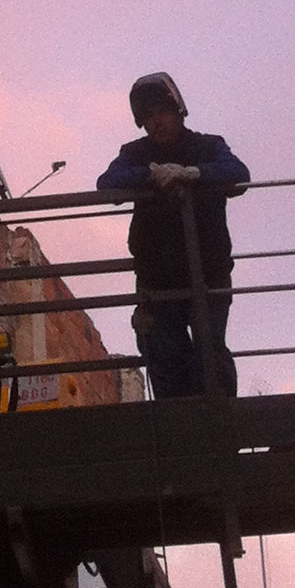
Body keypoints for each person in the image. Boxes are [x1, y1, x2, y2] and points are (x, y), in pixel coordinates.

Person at [97, 72, 249, 400]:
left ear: (176, 110)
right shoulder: (135, 153)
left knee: (210, 353)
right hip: (157, 278)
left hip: (208, 273)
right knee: (165, 360)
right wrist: (151, 175)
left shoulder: (208, 147)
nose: (155, 122)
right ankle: (180, 431)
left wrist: (194, 175)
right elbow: (107, 183)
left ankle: (220, 425)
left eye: (160, 112)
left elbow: (238, 174)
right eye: (147, 117)